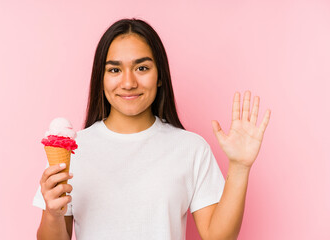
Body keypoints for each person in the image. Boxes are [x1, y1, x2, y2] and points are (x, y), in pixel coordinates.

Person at [33, 18, 271, 240]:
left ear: (159, 76)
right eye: (114, 70)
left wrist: (240, 167)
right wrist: (52, 213)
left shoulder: (190, 148)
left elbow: (218, 237)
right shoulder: (73, 150)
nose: (128, 83)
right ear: (101, 78)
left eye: (142, 68)